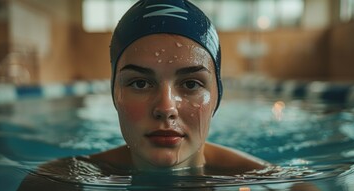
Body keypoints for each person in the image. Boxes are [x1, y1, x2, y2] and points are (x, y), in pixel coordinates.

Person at [85, 0, 268, 174]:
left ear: (216, 98)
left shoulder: (264, 180)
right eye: (140, 84)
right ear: (115, 94)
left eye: (190, 84)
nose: (166, 108)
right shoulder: (70, 177)